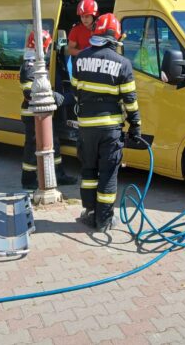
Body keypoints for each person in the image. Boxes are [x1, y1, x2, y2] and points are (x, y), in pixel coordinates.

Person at [73, 13, 141, 233]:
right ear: (115, 36)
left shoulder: (80, 58)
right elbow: (130, 100)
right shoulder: (123, 63)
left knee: (89, 171)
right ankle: (104, 220)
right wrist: (135, 126)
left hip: (86, 127)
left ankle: (90, 213)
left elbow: (76, 89)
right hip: (110, 129)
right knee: (108, 174)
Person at [19, 30, 78, 189]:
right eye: (46, 46)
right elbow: (30, 92)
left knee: (53, 143)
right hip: (33, 113)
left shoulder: (36, 62)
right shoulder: (30, 66)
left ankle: (58, 174)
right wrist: (55, 96)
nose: (47, 49)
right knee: (33, 147)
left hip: (42, 112)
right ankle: (28, 180)